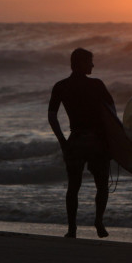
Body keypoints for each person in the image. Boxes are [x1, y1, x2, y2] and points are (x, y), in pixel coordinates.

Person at [48, 48, 114, 239]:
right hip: (97, 140)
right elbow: (111, 114)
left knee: (73, 186)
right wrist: (114, 141)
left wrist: (62, 140)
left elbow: (52, 116)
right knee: (102, 185)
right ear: (80, 63)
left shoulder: (61, 86)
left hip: (75, 139)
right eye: (89, 61)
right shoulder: (97, 85)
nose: (93, 65)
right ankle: (99, 221)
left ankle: (72, 228)